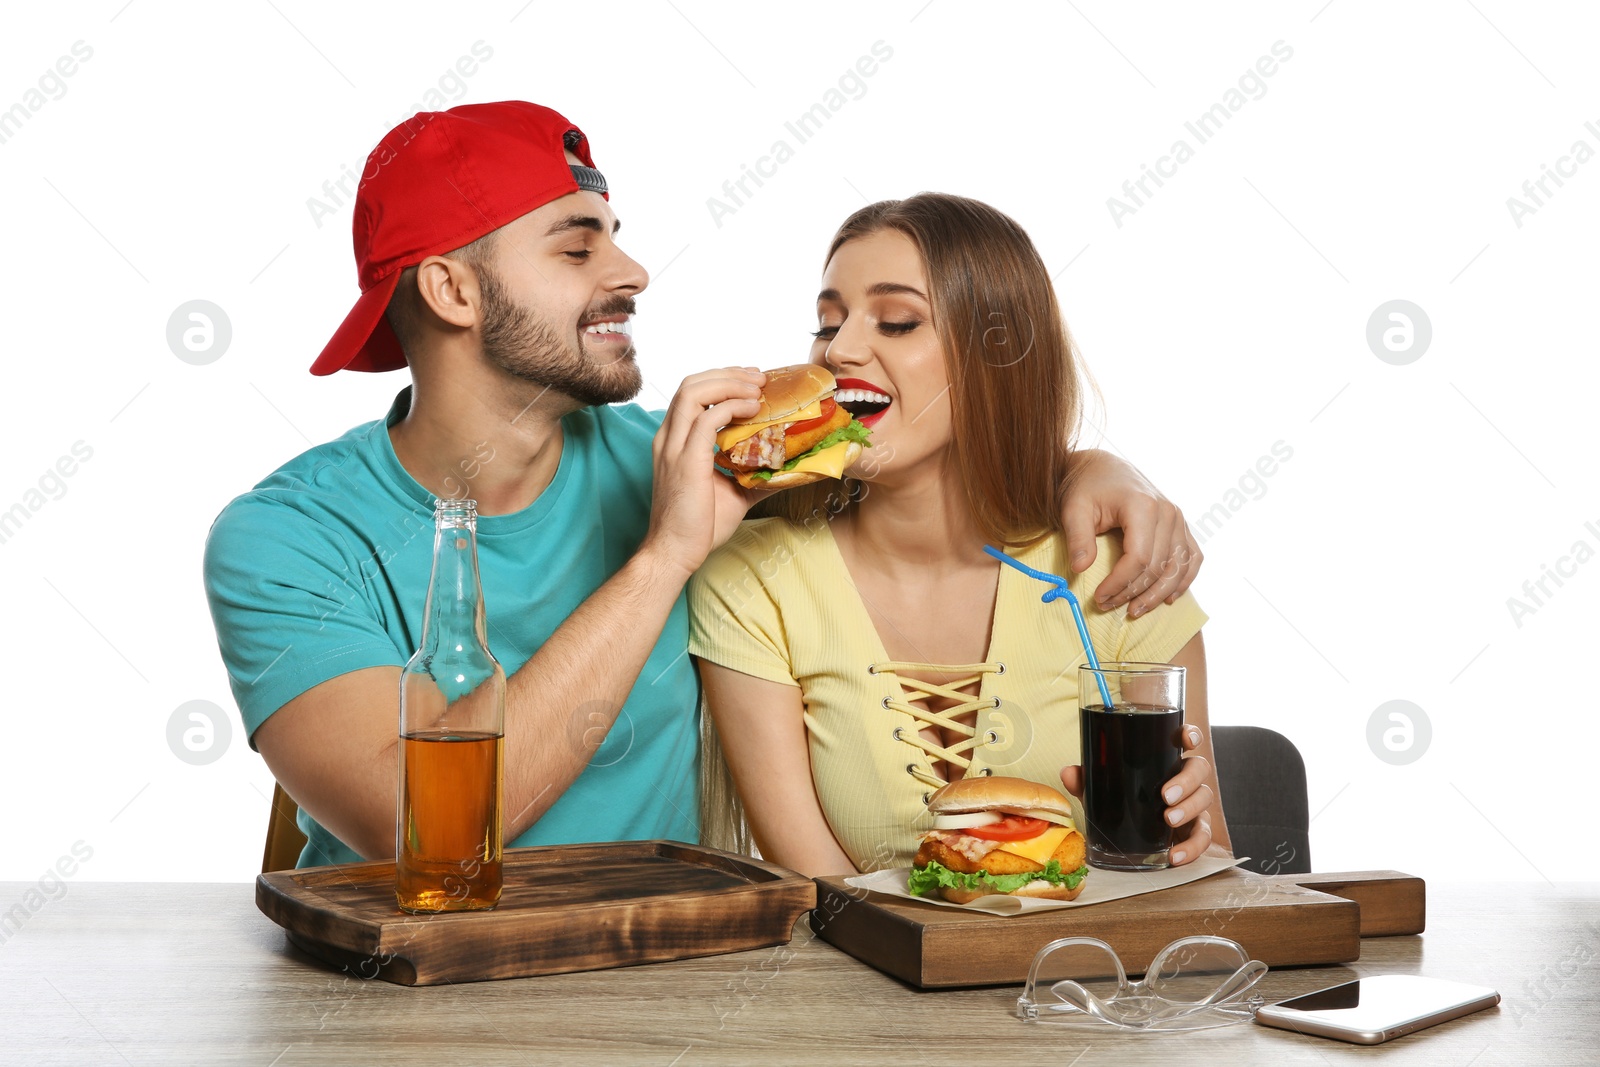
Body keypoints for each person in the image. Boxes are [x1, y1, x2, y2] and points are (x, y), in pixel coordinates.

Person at [203, 101, 1203, 869]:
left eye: (616, 232)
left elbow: (916, 440)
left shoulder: (687, 459)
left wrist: (1096, 470)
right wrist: (667, 553)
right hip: (412, 1000)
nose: (631, 268)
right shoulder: (286, 537)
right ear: (452, 289)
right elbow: (429, 825)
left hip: (668, 985)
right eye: (577, 243)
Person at [689, 193, 1230, 877]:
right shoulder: (752, 581)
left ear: (996, 356)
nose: (842, 349)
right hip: (863, 978)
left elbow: (1213, 892)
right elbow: (825, 898)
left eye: (897, 321)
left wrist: (1181, 844)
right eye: (828, 323)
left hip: (1088, 979)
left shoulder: (1121, 569)